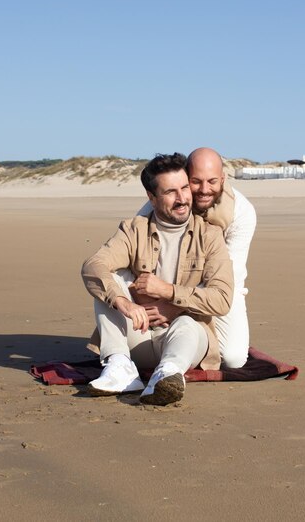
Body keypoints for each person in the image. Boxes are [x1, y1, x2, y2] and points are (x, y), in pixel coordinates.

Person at [81, 153, 234, 406]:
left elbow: (222, 299)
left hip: (184, 341)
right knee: (108, 288)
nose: (182, 198)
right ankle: (120, 366)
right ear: (152, 198)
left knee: (187, 324)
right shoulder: (133, 229)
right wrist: (124, 302)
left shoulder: (210, 236)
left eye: (185, 188)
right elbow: (93, 265)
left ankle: (168, 376)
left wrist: (169, 292)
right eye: (171, 192)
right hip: (137, 336)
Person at [139, 147, 256, 368]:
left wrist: (176, 306)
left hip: (220, 289)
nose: (204, 189)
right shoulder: (161, 204)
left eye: (212, 181)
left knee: (233, 358)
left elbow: (228, 278)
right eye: (196, 181)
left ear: (223, 178)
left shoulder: (242, 213)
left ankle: (193, 335)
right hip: (170, 280)